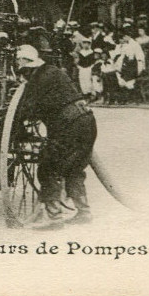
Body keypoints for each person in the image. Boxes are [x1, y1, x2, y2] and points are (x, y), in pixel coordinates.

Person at [15, 44, 97, 228]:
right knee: (75, 168)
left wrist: (17, 127)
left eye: (23, 70)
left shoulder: (37, 80)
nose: (24, 75)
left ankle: (54, 218)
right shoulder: (54, 71)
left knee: (49, 167)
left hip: (68, 126)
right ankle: (84, 212)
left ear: (27, 66)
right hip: (87, 120)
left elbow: (26, 110)